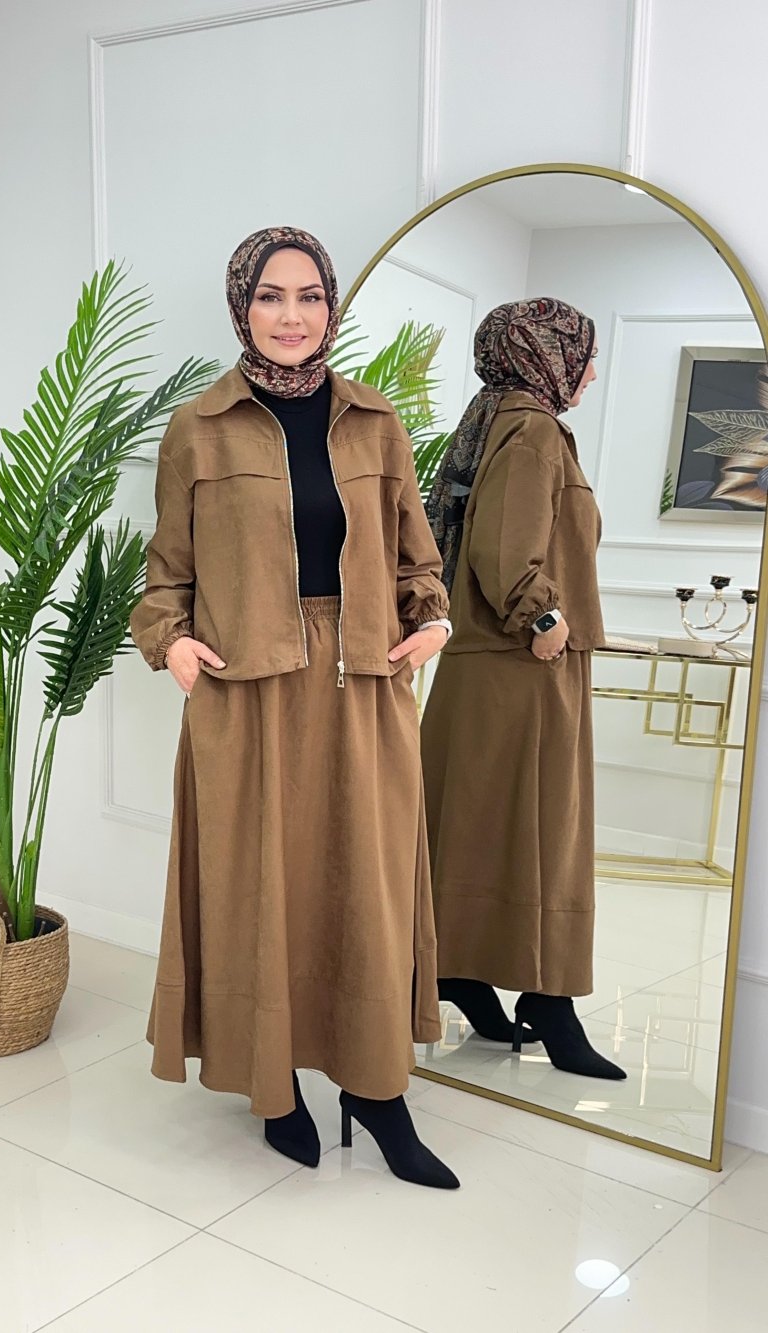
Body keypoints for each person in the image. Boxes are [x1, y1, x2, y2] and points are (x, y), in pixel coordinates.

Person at [130, 226, 460, 1187]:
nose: (291, 315)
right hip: (247, 692)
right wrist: (172, 645)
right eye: (270, 296)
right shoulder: (199, 427)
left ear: (331, 306)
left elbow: (418, 559)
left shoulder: (376, 422)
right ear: (243, 307)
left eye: (309, 296)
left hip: (364, 683)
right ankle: (273, 1086)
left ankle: (377, 1090)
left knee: (368, 886)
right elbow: (165, 577)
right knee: (259, 890)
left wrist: (433, 622)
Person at [421, 297, 625, 1081]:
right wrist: (543, 617)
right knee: (545, 835)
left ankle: (461, 970)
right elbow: (506, 549)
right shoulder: (533, 429)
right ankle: (549, 998)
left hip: (495, 668)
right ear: (545, 354)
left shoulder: (501, 420)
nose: (591, 372)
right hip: (522, 666)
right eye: (584, 354)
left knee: (480, 828)